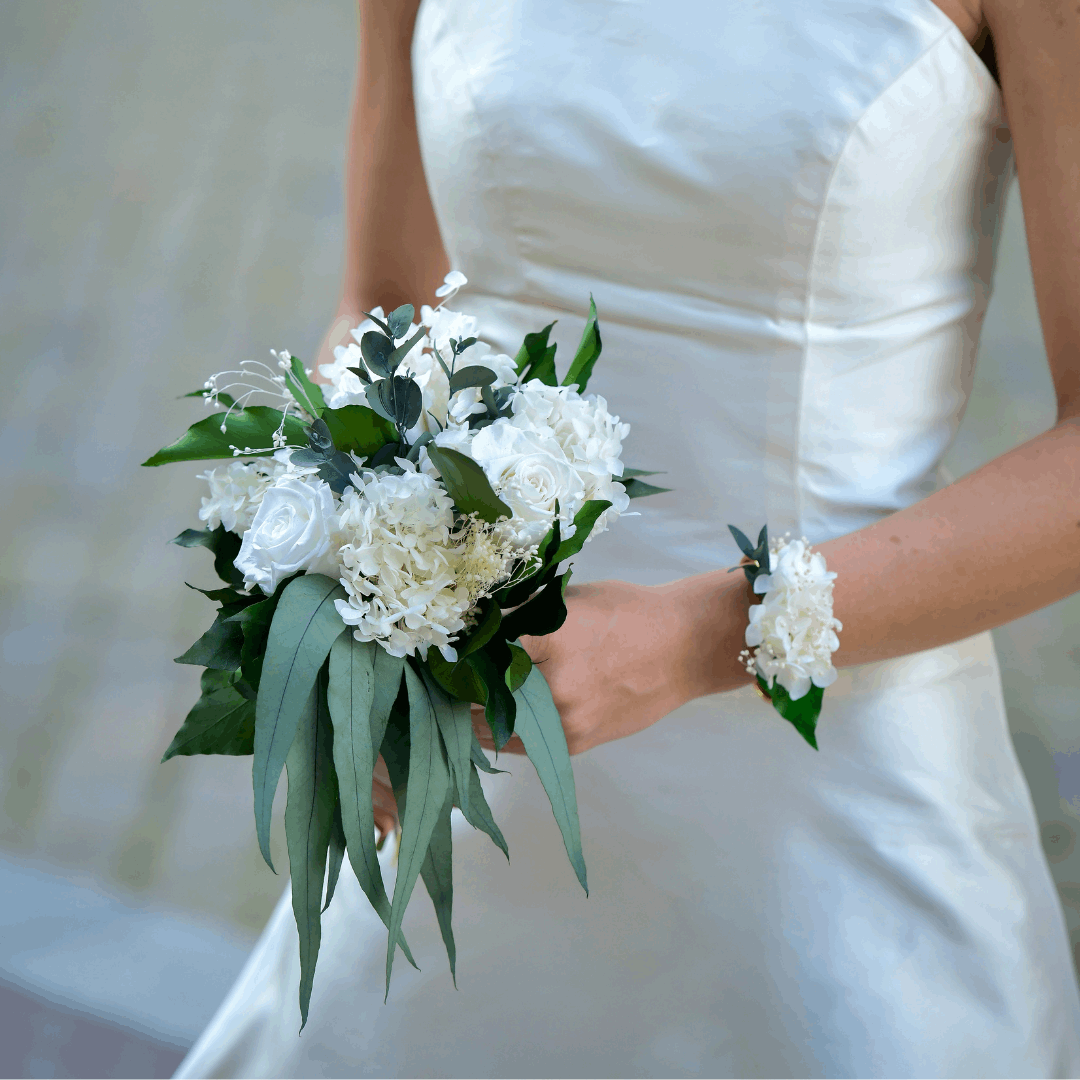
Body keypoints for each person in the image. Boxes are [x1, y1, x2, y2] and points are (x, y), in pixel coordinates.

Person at [176, 0, 1080, 1075]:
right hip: (470, 750)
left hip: (832, 782)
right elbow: (384, 306)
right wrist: (343, 615)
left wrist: (701, 638)